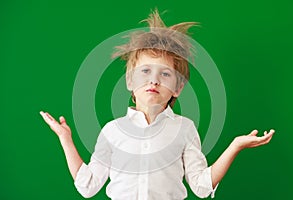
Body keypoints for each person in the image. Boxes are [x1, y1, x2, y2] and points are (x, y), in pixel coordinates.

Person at [40, 9, 275, 200]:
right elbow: (88, 186)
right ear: (130, 81)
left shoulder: (185, 129)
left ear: (178, 88)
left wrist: (235, 146)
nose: (153, 80)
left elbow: (202, 187)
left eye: (165, 74)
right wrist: (65, 139)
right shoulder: (112, 131)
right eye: (145, 71)